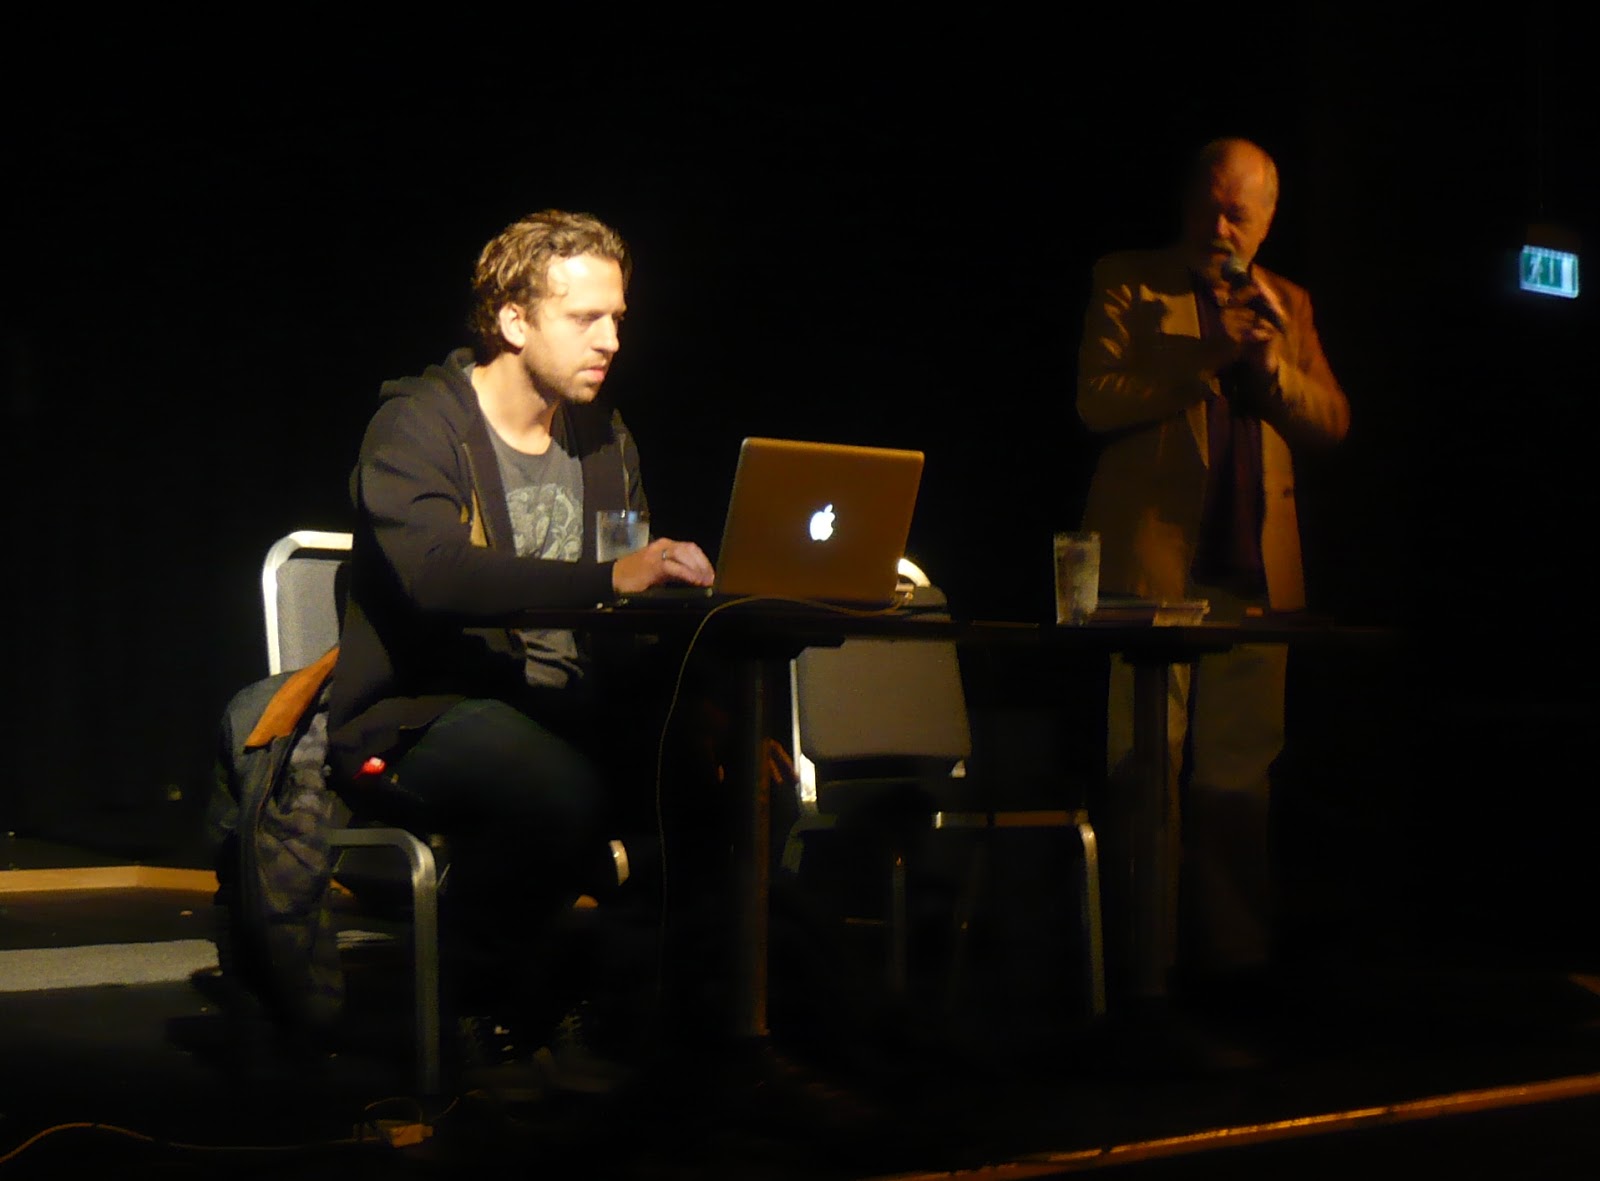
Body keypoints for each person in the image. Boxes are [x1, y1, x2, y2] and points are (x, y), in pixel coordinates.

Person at [325, 209, 716, 1080]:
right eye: (585, 317)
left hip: (564, 708)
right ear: (513, 320)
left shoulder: (604, 438)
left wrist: (681, 620)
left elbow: (622, 592)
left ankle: (630, 1016)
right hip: (424, 711)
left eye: (617, 317)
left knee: (711, 782)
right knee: (553, 788)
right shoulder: (419, 424)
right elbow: (434, 573)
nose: (611, 339)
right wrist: (611, 576)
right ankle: (477, 1010)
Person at [1075, 138, 1350, 1006]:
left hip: (1255, 573)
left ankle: (1233, 965)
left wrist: (1270, 368)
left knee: (1240, 771)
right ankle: (1143, 970)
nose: (1219, 226)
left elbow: (1333, 422)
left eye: (1238, 213)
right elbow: (1096, 398)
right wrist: (1206, 358)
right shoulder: (1128, 279)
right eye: (1207, 203)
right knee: (1144, 765)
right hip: (1153, 566)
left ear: (1267, 221)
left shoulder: (1288, 302)